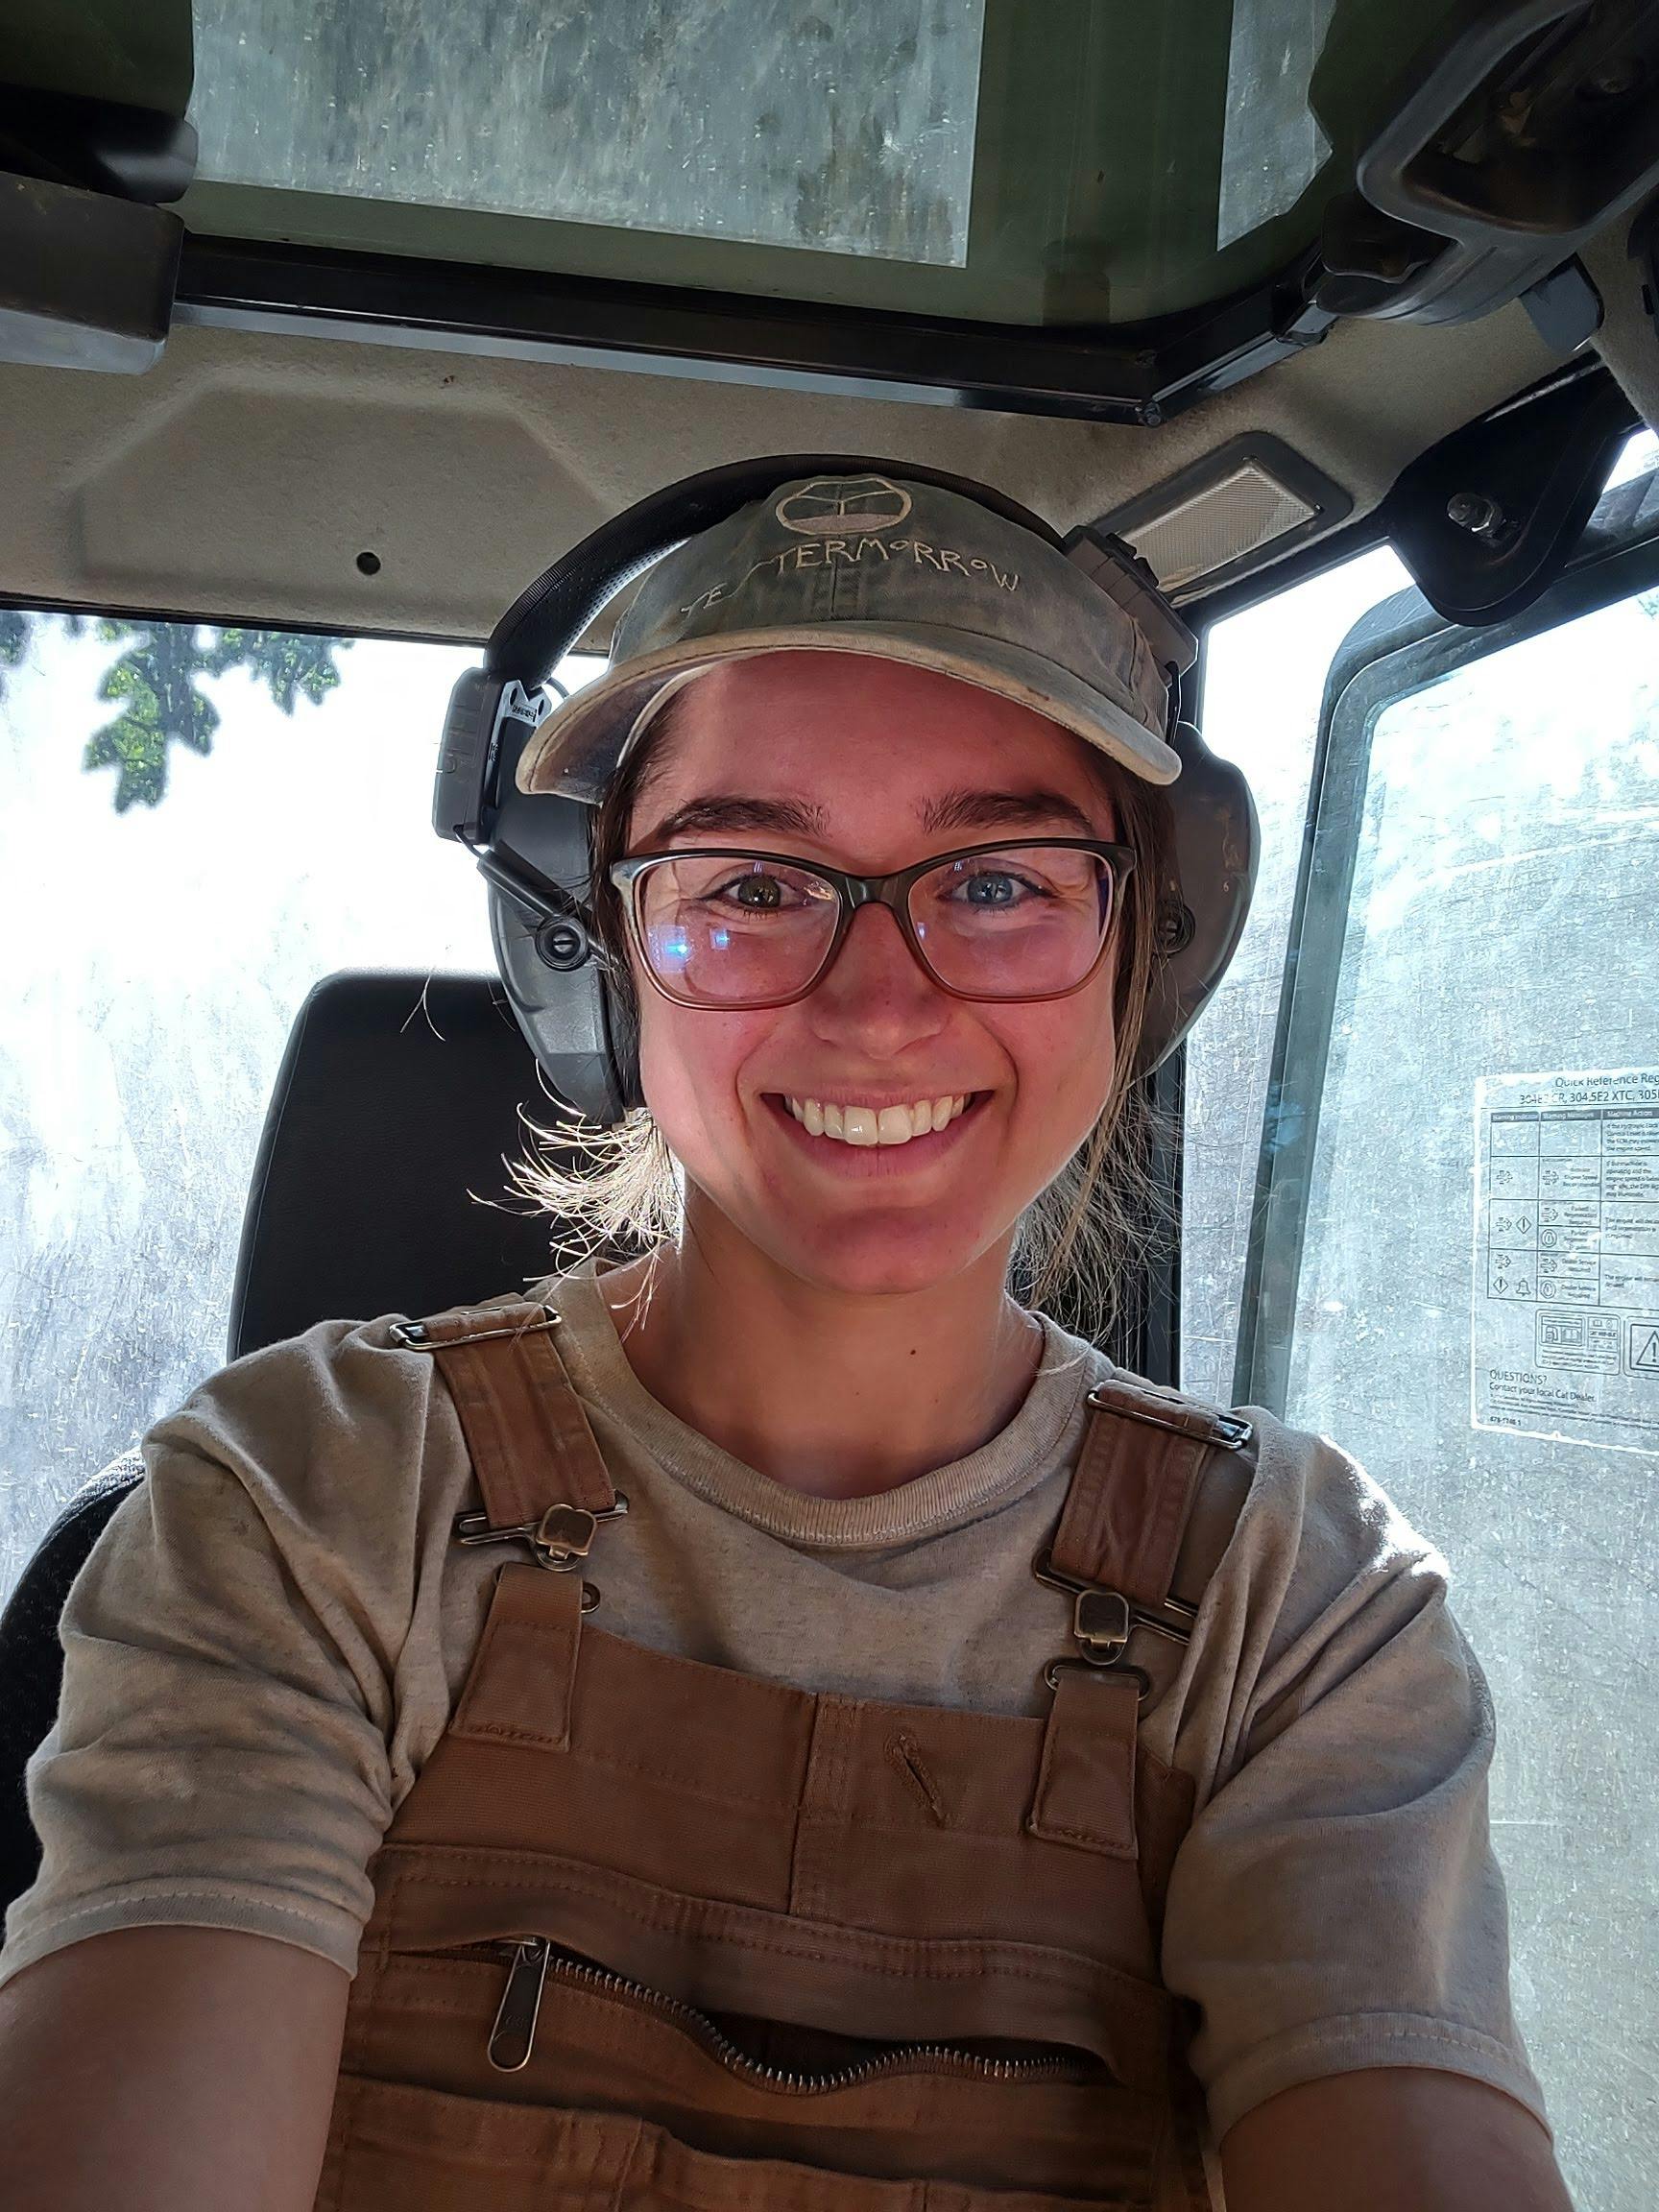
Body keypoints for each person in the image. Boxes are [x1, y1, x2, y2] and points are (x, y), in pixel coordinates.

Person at [0, 470, 1572, 2212]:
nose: (881, 1007)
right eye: (750, 884)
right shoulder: (317, 1491)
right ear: (591, 959)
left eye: (997, 881)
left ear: (1140, 954)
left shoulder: (1300, 1603)